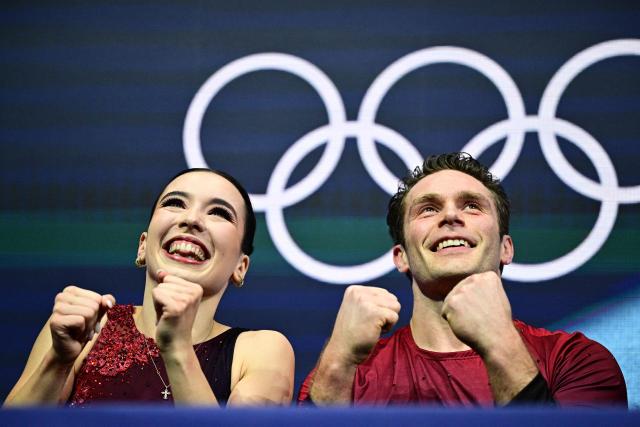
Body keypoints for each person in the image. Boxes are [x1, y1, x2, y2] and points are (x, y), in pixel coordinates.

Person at [298, 152, 627, 407]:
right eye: (428, 209)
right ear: (401, 256)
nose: (450, 216)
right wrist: (339, 362)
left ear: (506, 249)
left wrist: (500, 344)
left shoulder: (575, 360)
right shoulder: (346, 373)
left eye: (471, 206)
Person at [5, 168, 294, 406]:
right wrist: (59, 360)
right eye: (175, 203)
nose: (191, 219)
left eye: (219, 212)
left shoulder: (261, 351)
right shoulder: (86, 328)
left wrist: (177, 348)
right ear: (143, 246)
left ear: (240, 267)